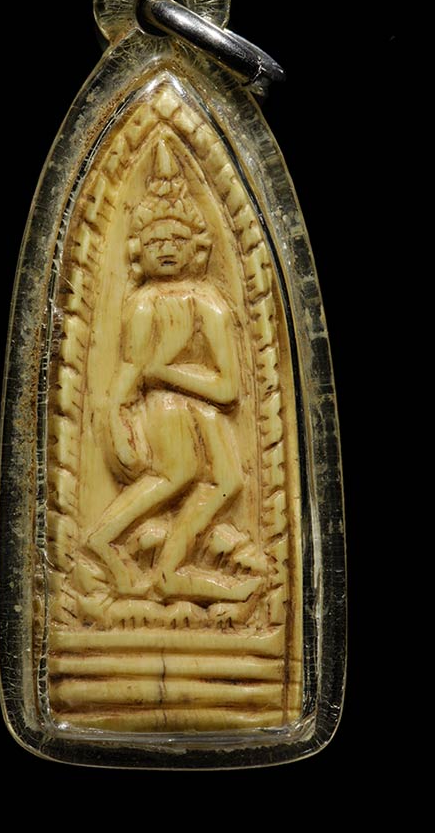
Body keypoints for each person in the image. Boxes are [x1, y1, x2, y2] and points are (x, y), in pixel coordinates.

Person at [88, 141, 261, 603]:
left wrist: (167, 373)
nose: (166, 250)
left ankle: (168, 571)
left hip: (202, 411)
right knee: (177, 474)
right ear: (137, 251)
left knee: (228, 483)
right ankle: (105, 539)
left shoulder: (211, 305)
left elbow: (228, 389)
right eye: (155, 243)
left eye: (176, 241)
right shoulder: (142, 304)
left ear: (197, 249)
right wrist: (116, 421)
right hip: (166, 413)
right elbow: (130, 372)